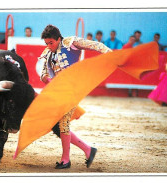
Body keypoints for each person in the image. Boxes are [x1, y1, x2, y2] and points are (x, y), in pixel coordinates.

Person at [39, 24, 112, 169]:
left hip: (73, 89)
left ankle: (65, 160)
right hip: (59, 91)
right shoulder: (48, 52)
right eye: (46, 43)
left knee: (64, 123)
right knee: (58, 126)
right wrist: (50, 80)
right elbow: (43, 75)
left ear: (59, 39)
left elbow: (94, 45)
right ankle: (88, 150)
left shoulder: (71, 43)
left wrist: (111, 54)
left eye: (51, 43)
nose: (49, 46)